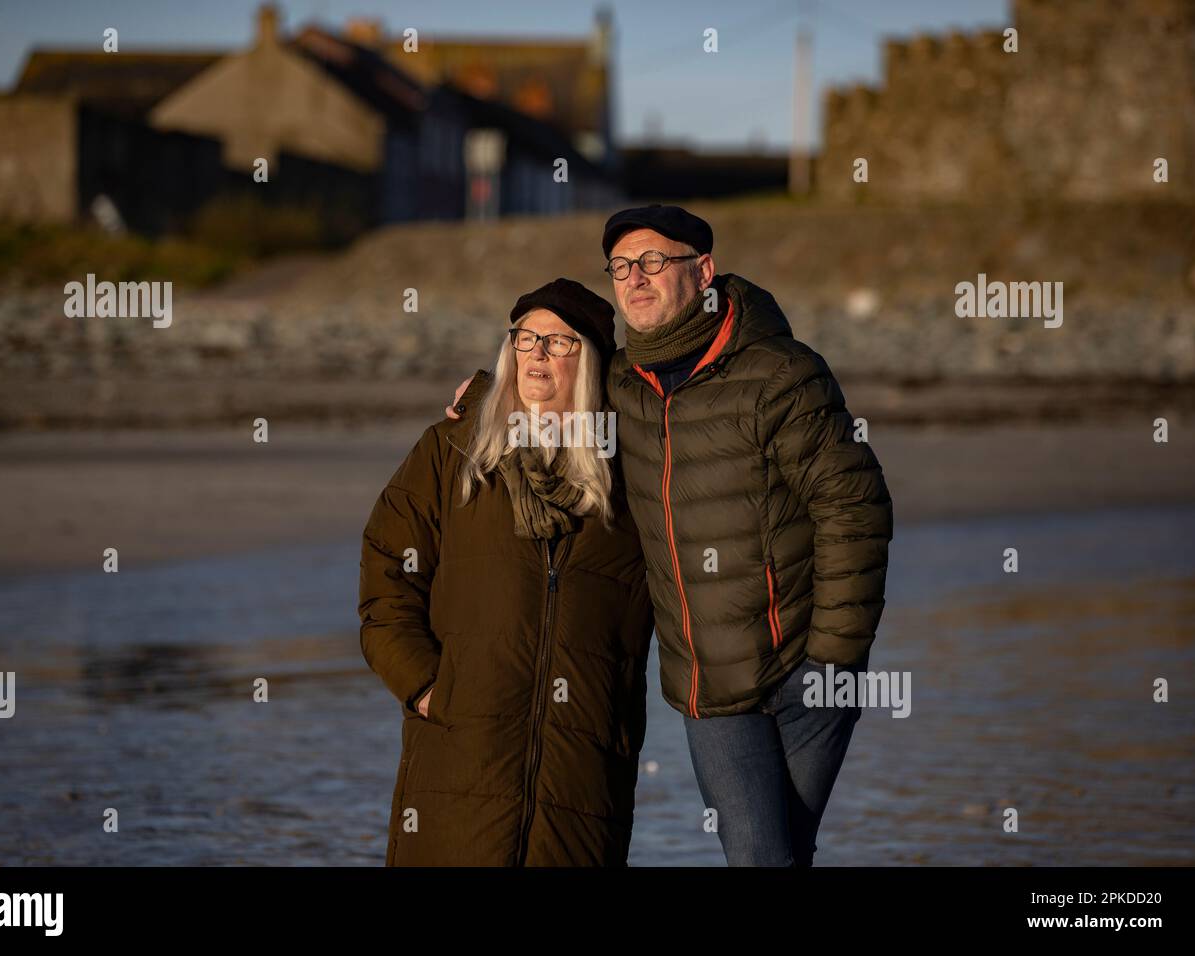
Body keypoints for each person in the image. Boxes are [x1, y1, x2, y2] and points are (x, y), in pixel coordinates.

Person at [447, 205, 893, 866]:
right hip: (710, 691)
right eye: (623, 266)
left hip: (808, 675)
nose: (636, 278)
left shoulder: (780, 374)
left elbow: (855, 507)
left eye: (655, 261)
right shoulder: (624, 386)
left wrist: (831, 658)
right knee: (764, 856)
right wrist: (488, 390)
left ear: (703, 271)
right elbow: (557, 397)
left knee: (775, 855)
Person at [359, 278, 655, 866]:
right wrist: (425, 687)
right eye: (526, 338)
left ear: (593, 364)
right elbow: (385, 572)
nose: (538, 354)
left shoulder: (633, 478)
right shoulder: (454, 453)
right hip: (459, 757)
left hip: (582, 774)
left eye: (560, 342)